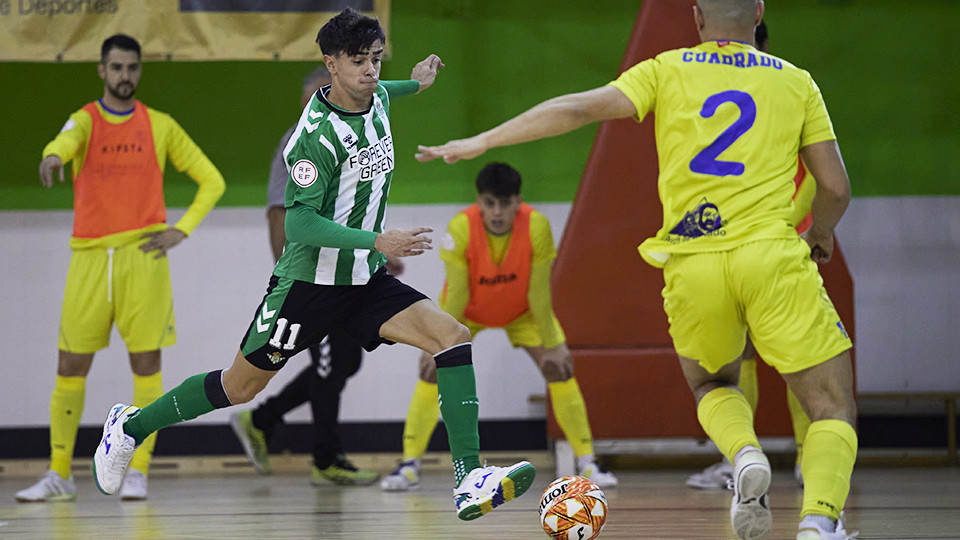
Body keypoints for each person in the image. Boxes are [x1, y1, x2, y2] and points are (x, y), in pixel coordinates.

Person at [415, 1, 858, 539]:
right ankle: (818, 523)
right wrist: (820, 233)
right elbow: (834, 187)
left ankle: (743, 455)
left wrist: (482, 141)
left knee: (713, 383)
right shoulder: (797, 82)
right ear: (759, 13)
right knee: (830, 403)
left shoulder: (666, 68)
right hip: (771, 255)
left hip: (692, 261)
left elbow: (577, 109)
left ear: (696, 17)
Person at [92, 8, 536, 522]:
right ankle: (129, 428)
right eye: (358, 61)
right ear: (330, 64)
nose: (370, 71)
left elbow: (387, 88)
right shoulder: (313, 139)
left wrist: (416, 83)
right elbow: (299, 225)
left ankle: (468, 479)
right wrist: (379, 239)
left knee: (453, 337)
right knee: (240, 387)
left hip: (362, 280)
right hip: (307, 285)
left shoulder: (378, 97)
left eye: (375, 59)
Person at [15, 34, 226, 503]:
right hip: (89, 260)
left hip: (142, 259)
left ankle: (137, 471)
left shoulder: (161, 125)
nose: (124, 76)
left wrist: (183, 229)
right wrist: (53, 154)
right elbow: (65, 140)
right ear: (101, 70)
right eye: (116, 68)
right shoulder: (85, 121)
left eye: (132, 68)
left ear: (139, 70)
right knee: (70, 364)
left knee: (147, 364)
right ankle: (59, 474)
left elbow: (213, 180)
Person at [380, 162, 618, 491]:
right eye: (490, 202)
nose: (497, 212)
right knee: (432, 371)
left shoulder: (537, 226)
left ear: (518, 201)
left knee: (559, 369)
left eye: (505, 203)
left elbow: (540, 293)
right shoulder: (461, 228)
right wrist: (436, 345)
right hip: (466, 313)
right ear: (479, 201)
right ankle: (408, 464)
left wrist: (553, 343)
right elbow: (458, 293)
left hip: (523, 312)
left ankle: (587, 462)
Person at [229, 65, 390, 486]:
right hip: (312, 277)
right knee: (328, 365)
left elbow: (349, 209)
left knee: (342, 361)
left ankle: (262, 420)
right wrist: (290, 273)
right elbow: (279, 212)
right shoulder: (298, 142)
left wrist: (374, 248)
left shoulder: (350, 135)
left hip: (345, 274)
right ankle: (326, 458)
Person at [685, 19, 812, 491]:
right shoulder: (715, 91)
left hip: (773, 240)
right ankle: (740, 459)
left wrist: (792, 225)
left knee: (785, 361)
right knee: (742, 359)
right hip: (734, 244)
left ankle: (804, 457)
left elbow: (818, 173)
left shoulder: (785, 86)